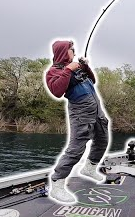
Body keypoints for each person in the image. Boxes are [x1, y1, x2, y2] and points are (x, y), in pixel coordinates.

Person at [44, 40, 110, 204]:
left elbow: (92, 81)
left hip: (96, 109)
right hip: (80, 111)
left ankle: (90, 167)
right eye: (70, 49)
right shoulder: (53, 71)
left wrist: (85, 67)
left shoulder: (77, 66)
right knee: (76, 149)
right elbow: (57, 91)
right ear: (62, 52)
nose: (73, 50)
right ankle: (57, 184)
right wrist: (67, 70)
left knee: (103, 139)